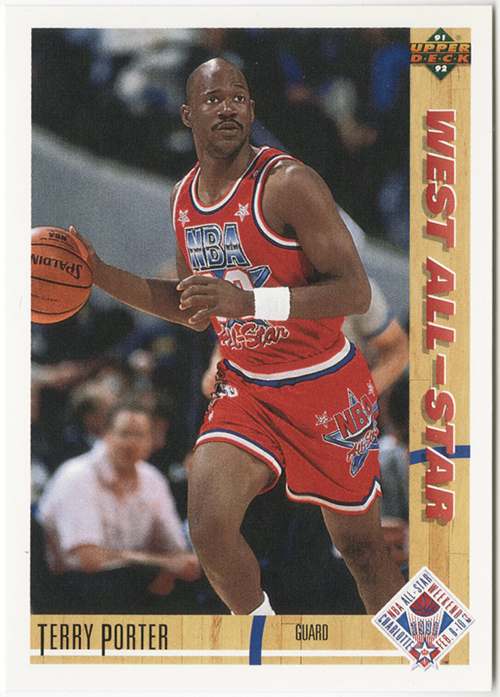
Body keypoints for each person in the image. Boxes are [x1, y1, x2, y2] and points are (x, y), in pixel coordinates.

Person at [73, 57, 405, 615]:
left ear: (251, 110)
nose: (227, 107)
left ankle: (433, 655)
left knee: (363, 553)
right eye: (213, 99)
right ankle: (263, 647)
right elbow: (191, 307)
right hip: (247, 386)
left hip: (323, 381)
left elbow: (353, 292)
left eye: (238, 98)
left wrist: (248, 303)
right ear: (187, 115)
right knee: (208, 528)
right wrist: (101, 274)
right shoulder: (183, 199)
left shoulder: (290, 183)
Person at [36, 399, 201, 613]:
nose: (130, 444)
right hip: (71, 590)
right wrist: (157, 563)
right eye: (124, 434)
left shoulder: (152, 479)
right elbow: (88, 559)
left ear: (150, 441)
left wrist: (175, 565)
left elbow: (178, 552)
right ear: (106, 434)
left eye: (139, 435)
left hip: (127, 582)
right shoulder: (77, 476)